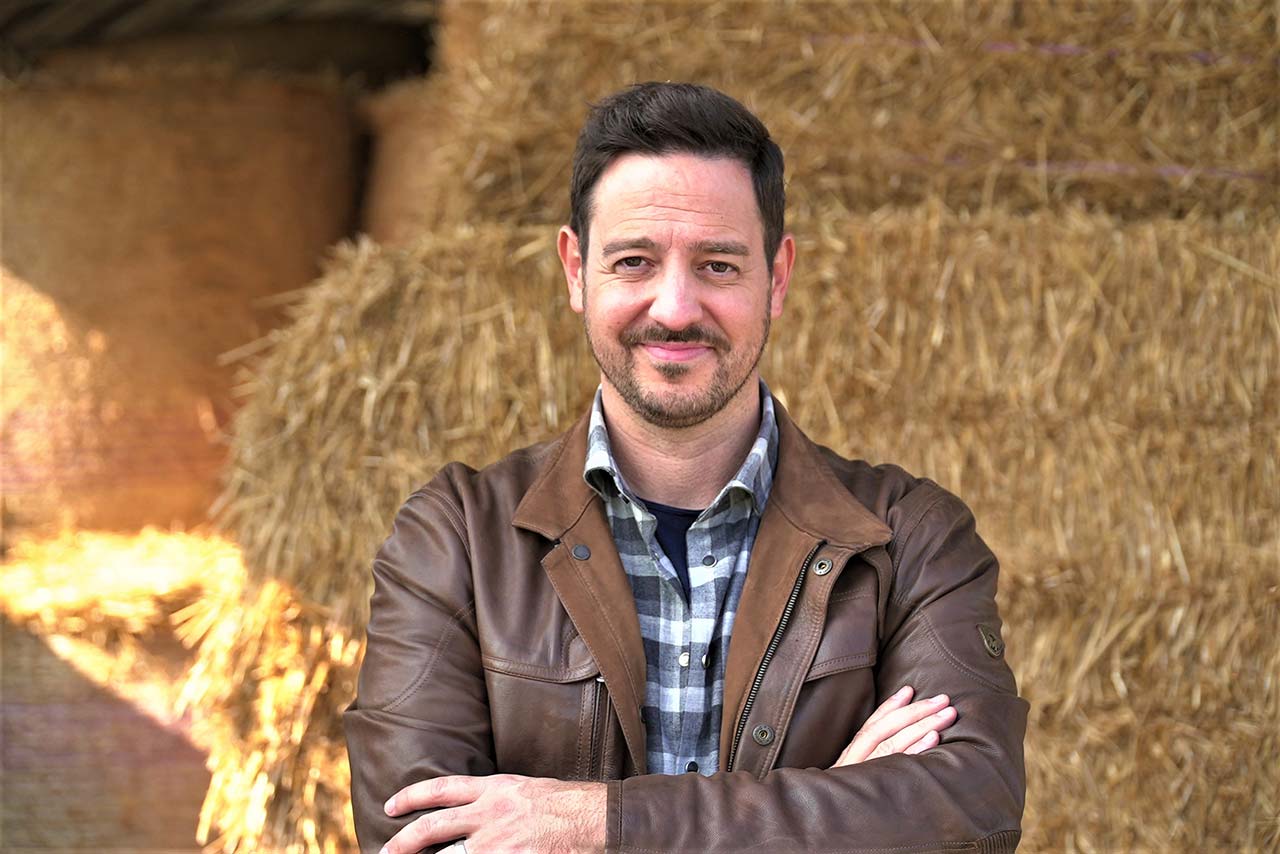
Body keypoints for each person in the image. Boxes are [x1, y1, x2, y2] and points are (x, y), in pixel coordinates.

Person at [344, 82, 1027, 854]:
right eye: (634, 262)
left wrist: (592, 824)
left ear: (778, 276)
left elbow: (971, 815)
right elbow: (418, 840)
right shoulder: (456, 539)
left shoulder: (909, 538)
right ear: (576, 270)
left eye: (718, 266)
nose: (674, 308)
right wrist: (832, 807)